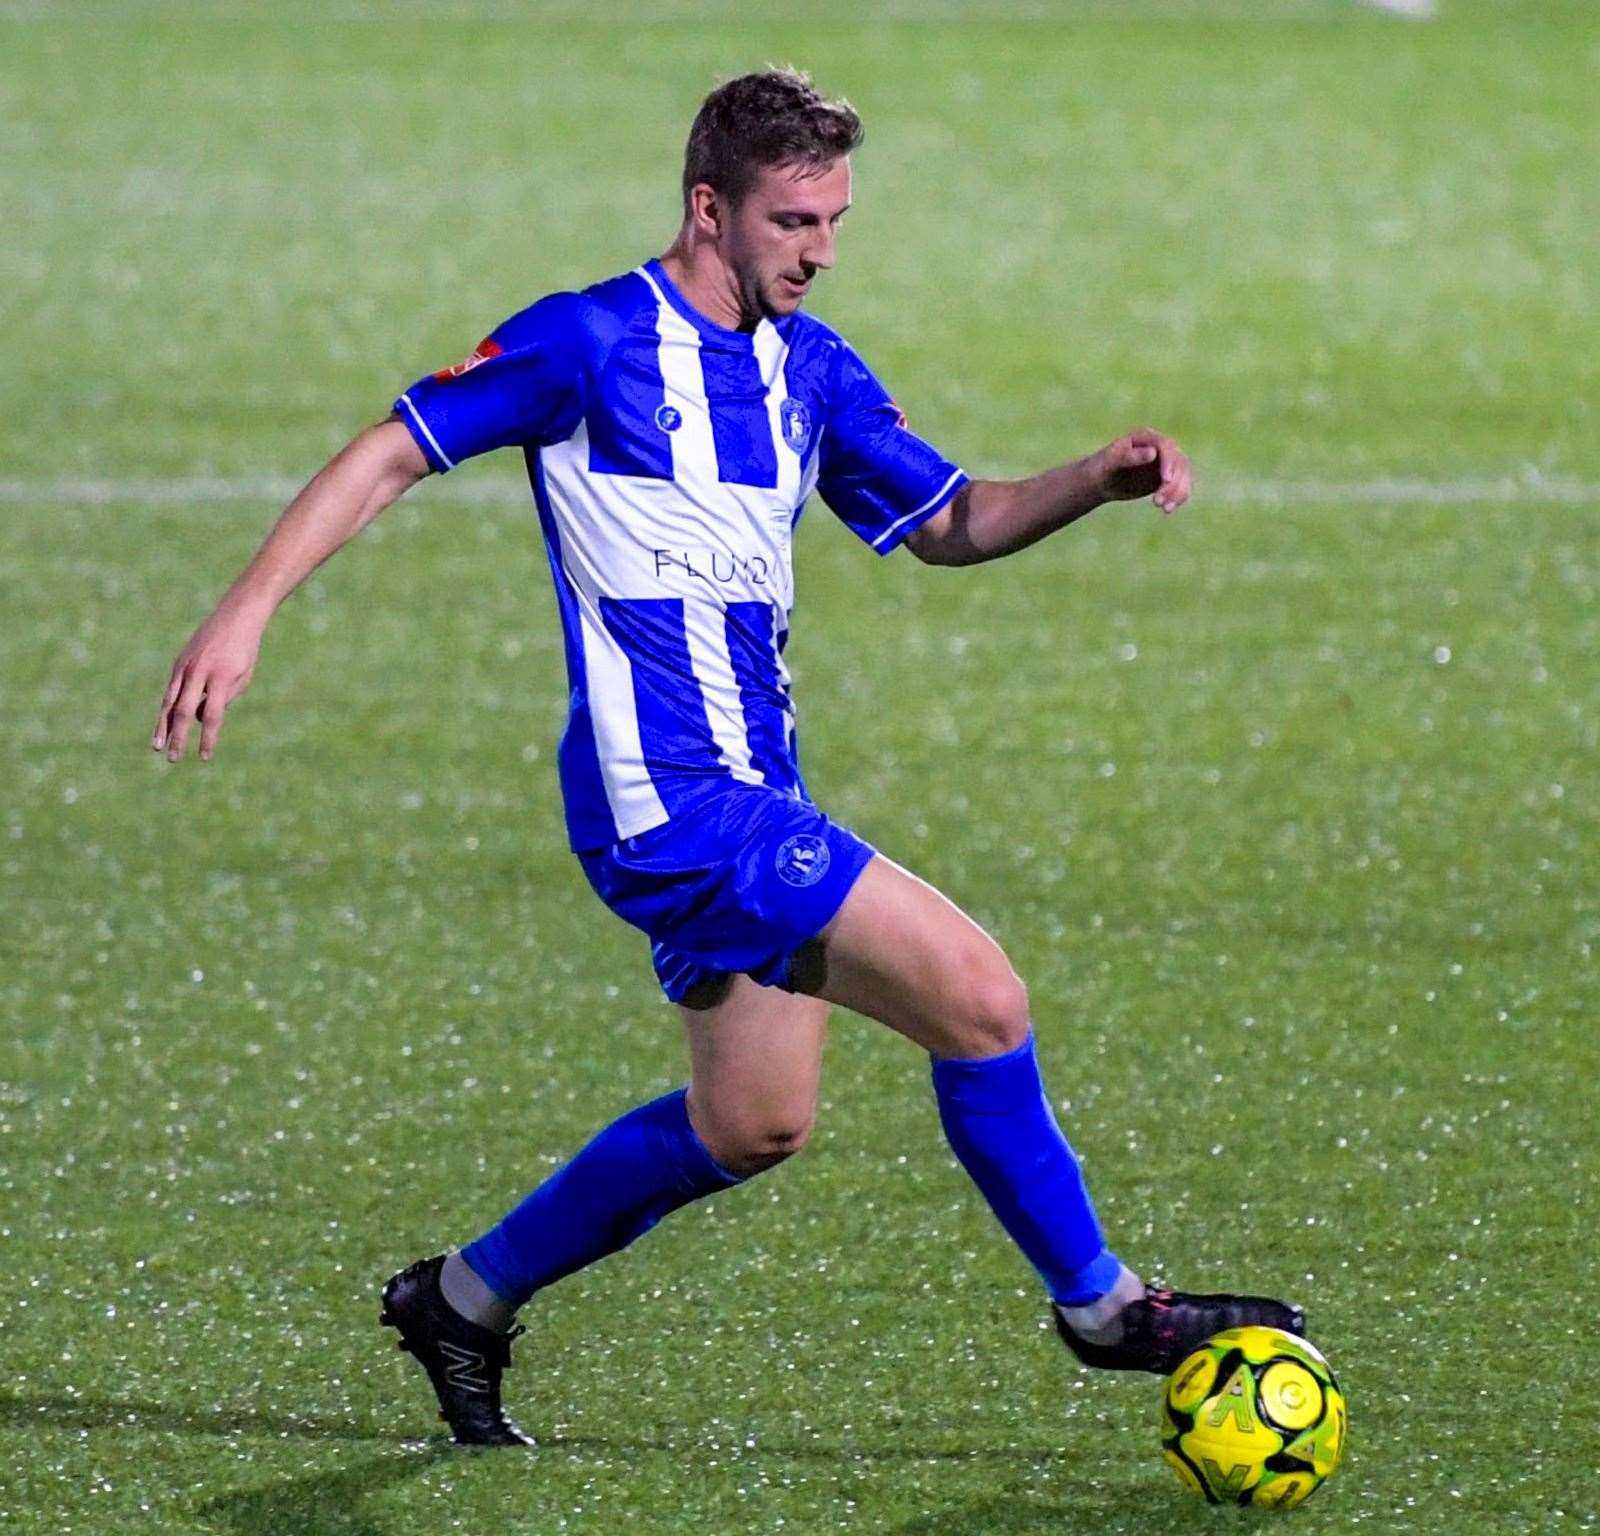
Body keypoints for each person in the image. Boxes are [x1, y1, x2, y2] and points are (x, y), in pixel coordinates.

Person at [153, 68, 1303, 1448]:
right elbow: (390, 454)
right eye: (793, 220)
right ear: (710, 208)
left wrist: (1091, 481)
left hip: (757, 794)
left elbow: (951, 522)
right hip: (672, 806)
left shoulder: (810, 371)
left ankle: (462, 1299)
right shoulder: (587, 344)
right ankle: (1103, 1308)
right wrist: (248, 605)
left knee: (754, 1121)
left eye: (834, 221)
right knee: (984, 1001)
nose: (818, 251)